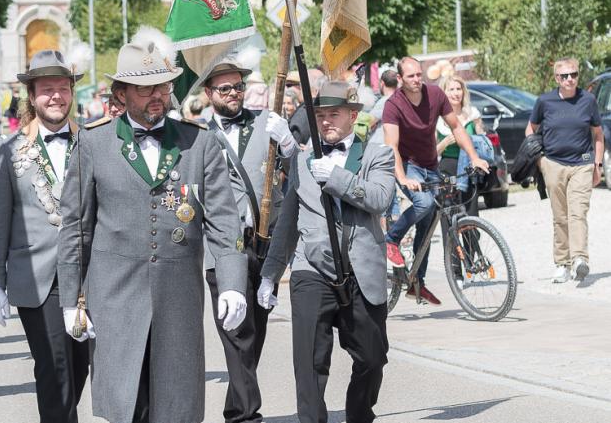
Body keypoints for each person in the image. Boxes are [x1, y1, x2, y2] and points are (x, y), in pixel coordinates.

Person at [57, 41, 246, 423]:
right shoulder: (93, 142)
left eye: (163, 86)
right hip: (114, 296)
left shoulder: (199, 141)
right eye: (146, 88)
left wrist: (232, 281)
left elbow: (224, 219)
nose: (158, 95)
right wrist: (69, 300)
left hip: (178, 295)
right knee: (127, 403)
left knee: (177, 402)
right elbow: (76, 228)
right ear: (121, 94)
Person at [258, 81, 396, 423]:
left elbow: (380, 199)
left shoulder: (378, 155)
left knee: (372, 358)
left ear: (353, 115)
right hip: (312, 269)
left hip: (361, 272)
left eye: (334, 114)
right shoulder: (304, 162)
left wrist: (337, 178)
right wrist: (270, 275)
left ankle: (360, 414)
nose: (326, 121)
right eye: (320, 115)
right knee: (308, 362)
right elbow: (289, 222)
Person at [0, 50, 90, 423]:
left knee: (80, 367)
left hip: (89, 276)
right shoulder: (10, 151)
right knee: (53, 366)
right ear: (31, 96)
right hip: (38, 278)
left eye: (63, 88)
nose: (56, 96)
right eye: (47, 89)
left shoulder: (92, 143)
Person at [201, 60, 279, 423]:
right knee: (237, 331)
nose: (234, 94)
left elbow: (290, 179)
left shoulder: (266, 123)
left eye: (238, 87)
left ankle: (235, 407)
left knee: (255, 335)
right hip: (222, 247)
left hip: (262, 242)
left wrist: (292, 146)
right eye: (225, 89)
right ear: (208, 94)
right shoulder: (195, 135)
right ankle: (247, 416)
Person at [382, 57, 489, 306]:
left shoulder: (435, 95)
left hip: (431, 165)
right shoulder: (393, 105)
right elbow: (392, 146)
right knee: (425, 204)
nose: (417, 80)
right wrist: (403, 178)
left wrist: (474, 157)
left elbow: (457, 127)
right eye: (411, 76)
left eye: (419, 74)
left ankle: (417, 282)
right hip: (408, 166)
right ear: (400, 79)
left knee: (428, 222)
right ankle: (391, 240)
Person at [528, 57, 604, 283]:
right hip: (553, 165)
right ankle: (562, 262)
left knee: (577, 213)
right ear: (556, 79)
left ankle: (580, 259)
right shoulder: (545, 101)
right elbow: (530, 130)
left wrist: (597, 164)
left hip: (582, 164)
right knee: (560, 217)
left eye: (574, 74)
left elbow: (598, 134)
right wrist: (540, 160)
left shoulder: (588, 100)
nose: (570, 79)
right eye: (565, 76)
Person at [435, 76, 485, 217]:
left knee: (471, 213)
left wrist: (478, 139)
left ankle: (472, 238)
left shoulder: (472, 114)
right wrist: (445, 143)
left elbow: (482, 139)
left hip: (468, 168)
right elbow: (432, 153)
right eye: (451, 89)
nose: (456, 93)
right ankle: (450, 239)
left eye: (459, 89)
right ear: (443, 93)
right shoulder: (437, 119)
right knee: (449, 213)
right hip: (448, 167)